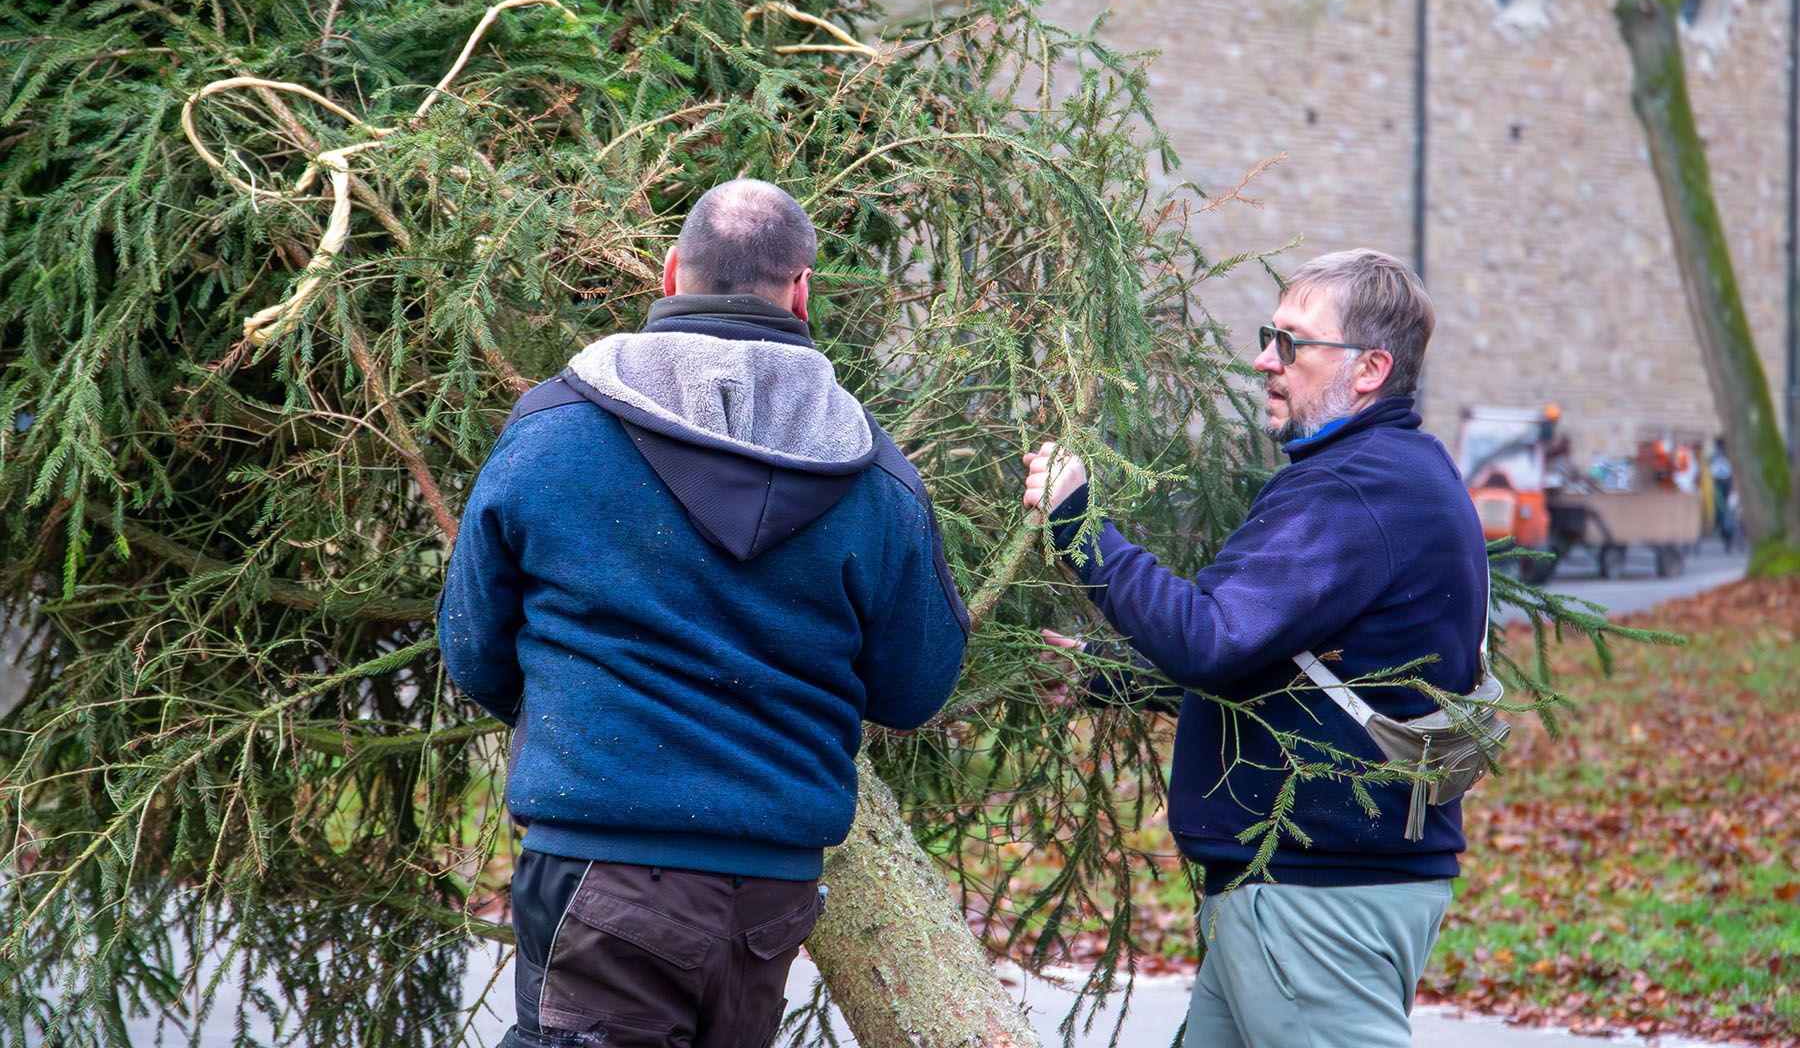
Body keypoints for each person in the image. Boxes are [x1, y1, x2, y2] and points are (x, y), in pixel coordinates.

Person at [439, 179, 969, 1048]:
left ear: (670, 270)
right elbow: (914, 689)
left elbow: (472, 649)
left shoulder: (553, 430)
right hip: (768, 901)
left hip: (598, 871)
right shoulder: (879, 483)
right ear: (804, 291)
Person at [1023, 249, 1487, 1048]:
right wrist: (1106, 679)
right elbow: (1294, 664)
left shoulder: (1353, 490)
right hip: (1300, 885)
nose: (1264, 359)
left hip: (1315, 899)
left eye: (1292, 342)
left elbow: (1212, 639)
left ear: (1370, 367)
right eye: (1268, 335)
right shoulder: (1393, 473)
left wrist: (1077, 523)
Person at [1710, 436, 1736, 551]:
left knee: (1723, 512)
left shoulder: (1716, 456)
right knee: (1726, 512)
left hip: (1722, 485)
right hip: (1725, 485)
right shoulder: (1725, 455)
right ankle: (1727, 537)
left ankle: (1727, 537)